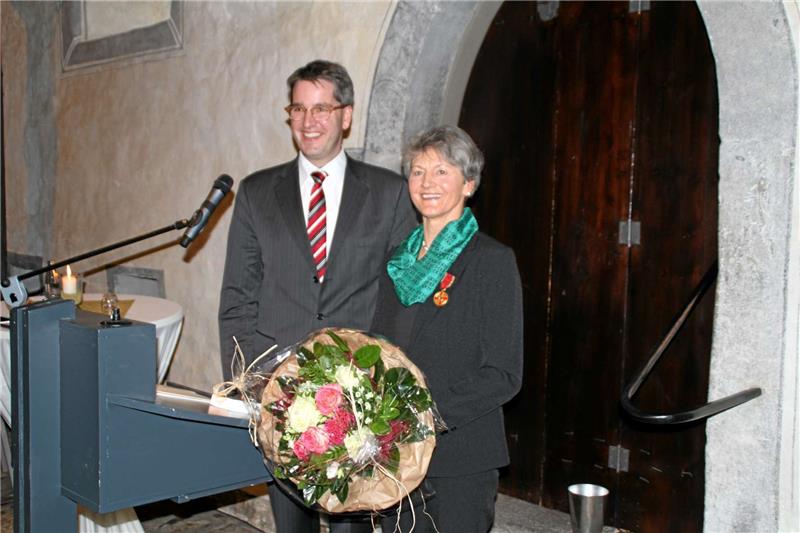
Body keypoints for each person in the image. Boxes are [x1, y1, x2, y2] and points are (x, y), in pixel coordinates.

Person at [218, 60, 417, 533]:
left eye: (321, 109)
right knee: (292, 525)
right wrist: (253, 384)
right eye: (298, 109)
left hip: (360, 394)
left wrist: (383, 380)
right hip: (280, 394)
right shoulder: (257, 192)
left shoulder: (389, 193)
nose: (308, 121)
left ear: (346, 116)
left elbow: (402, 297)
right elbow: (238, 297)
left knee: (352, 526)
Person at [372, 125, 524, 532]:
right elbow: (379, 349)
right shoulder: (395, 262)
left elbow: (504, 374)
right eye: (418, 171)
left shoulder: (491, 261)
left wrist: (425, 416)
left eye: (442, 171)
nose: (427, 183)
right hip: (395, 456)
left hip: (461, 457)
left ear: (469, 184)